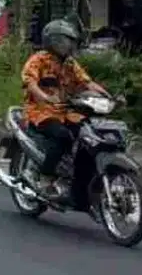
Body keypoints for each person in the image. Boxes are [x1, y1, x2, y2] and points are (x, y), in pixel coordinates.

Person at [21, 18, 111, 198]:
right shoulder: (38, 60)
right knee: (62, 137)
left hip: (67, 112)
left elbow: (87, 83)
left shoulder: (70, 63)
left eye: (70, 41)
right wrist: (45, 97)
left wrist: (109, 97)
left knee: (88, 136)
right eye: (63, 40)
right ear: (52, 41)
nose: (68, 45)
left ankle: (76, 177)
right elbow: (30, 82)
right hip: (41, 112)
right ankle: (45, 175)